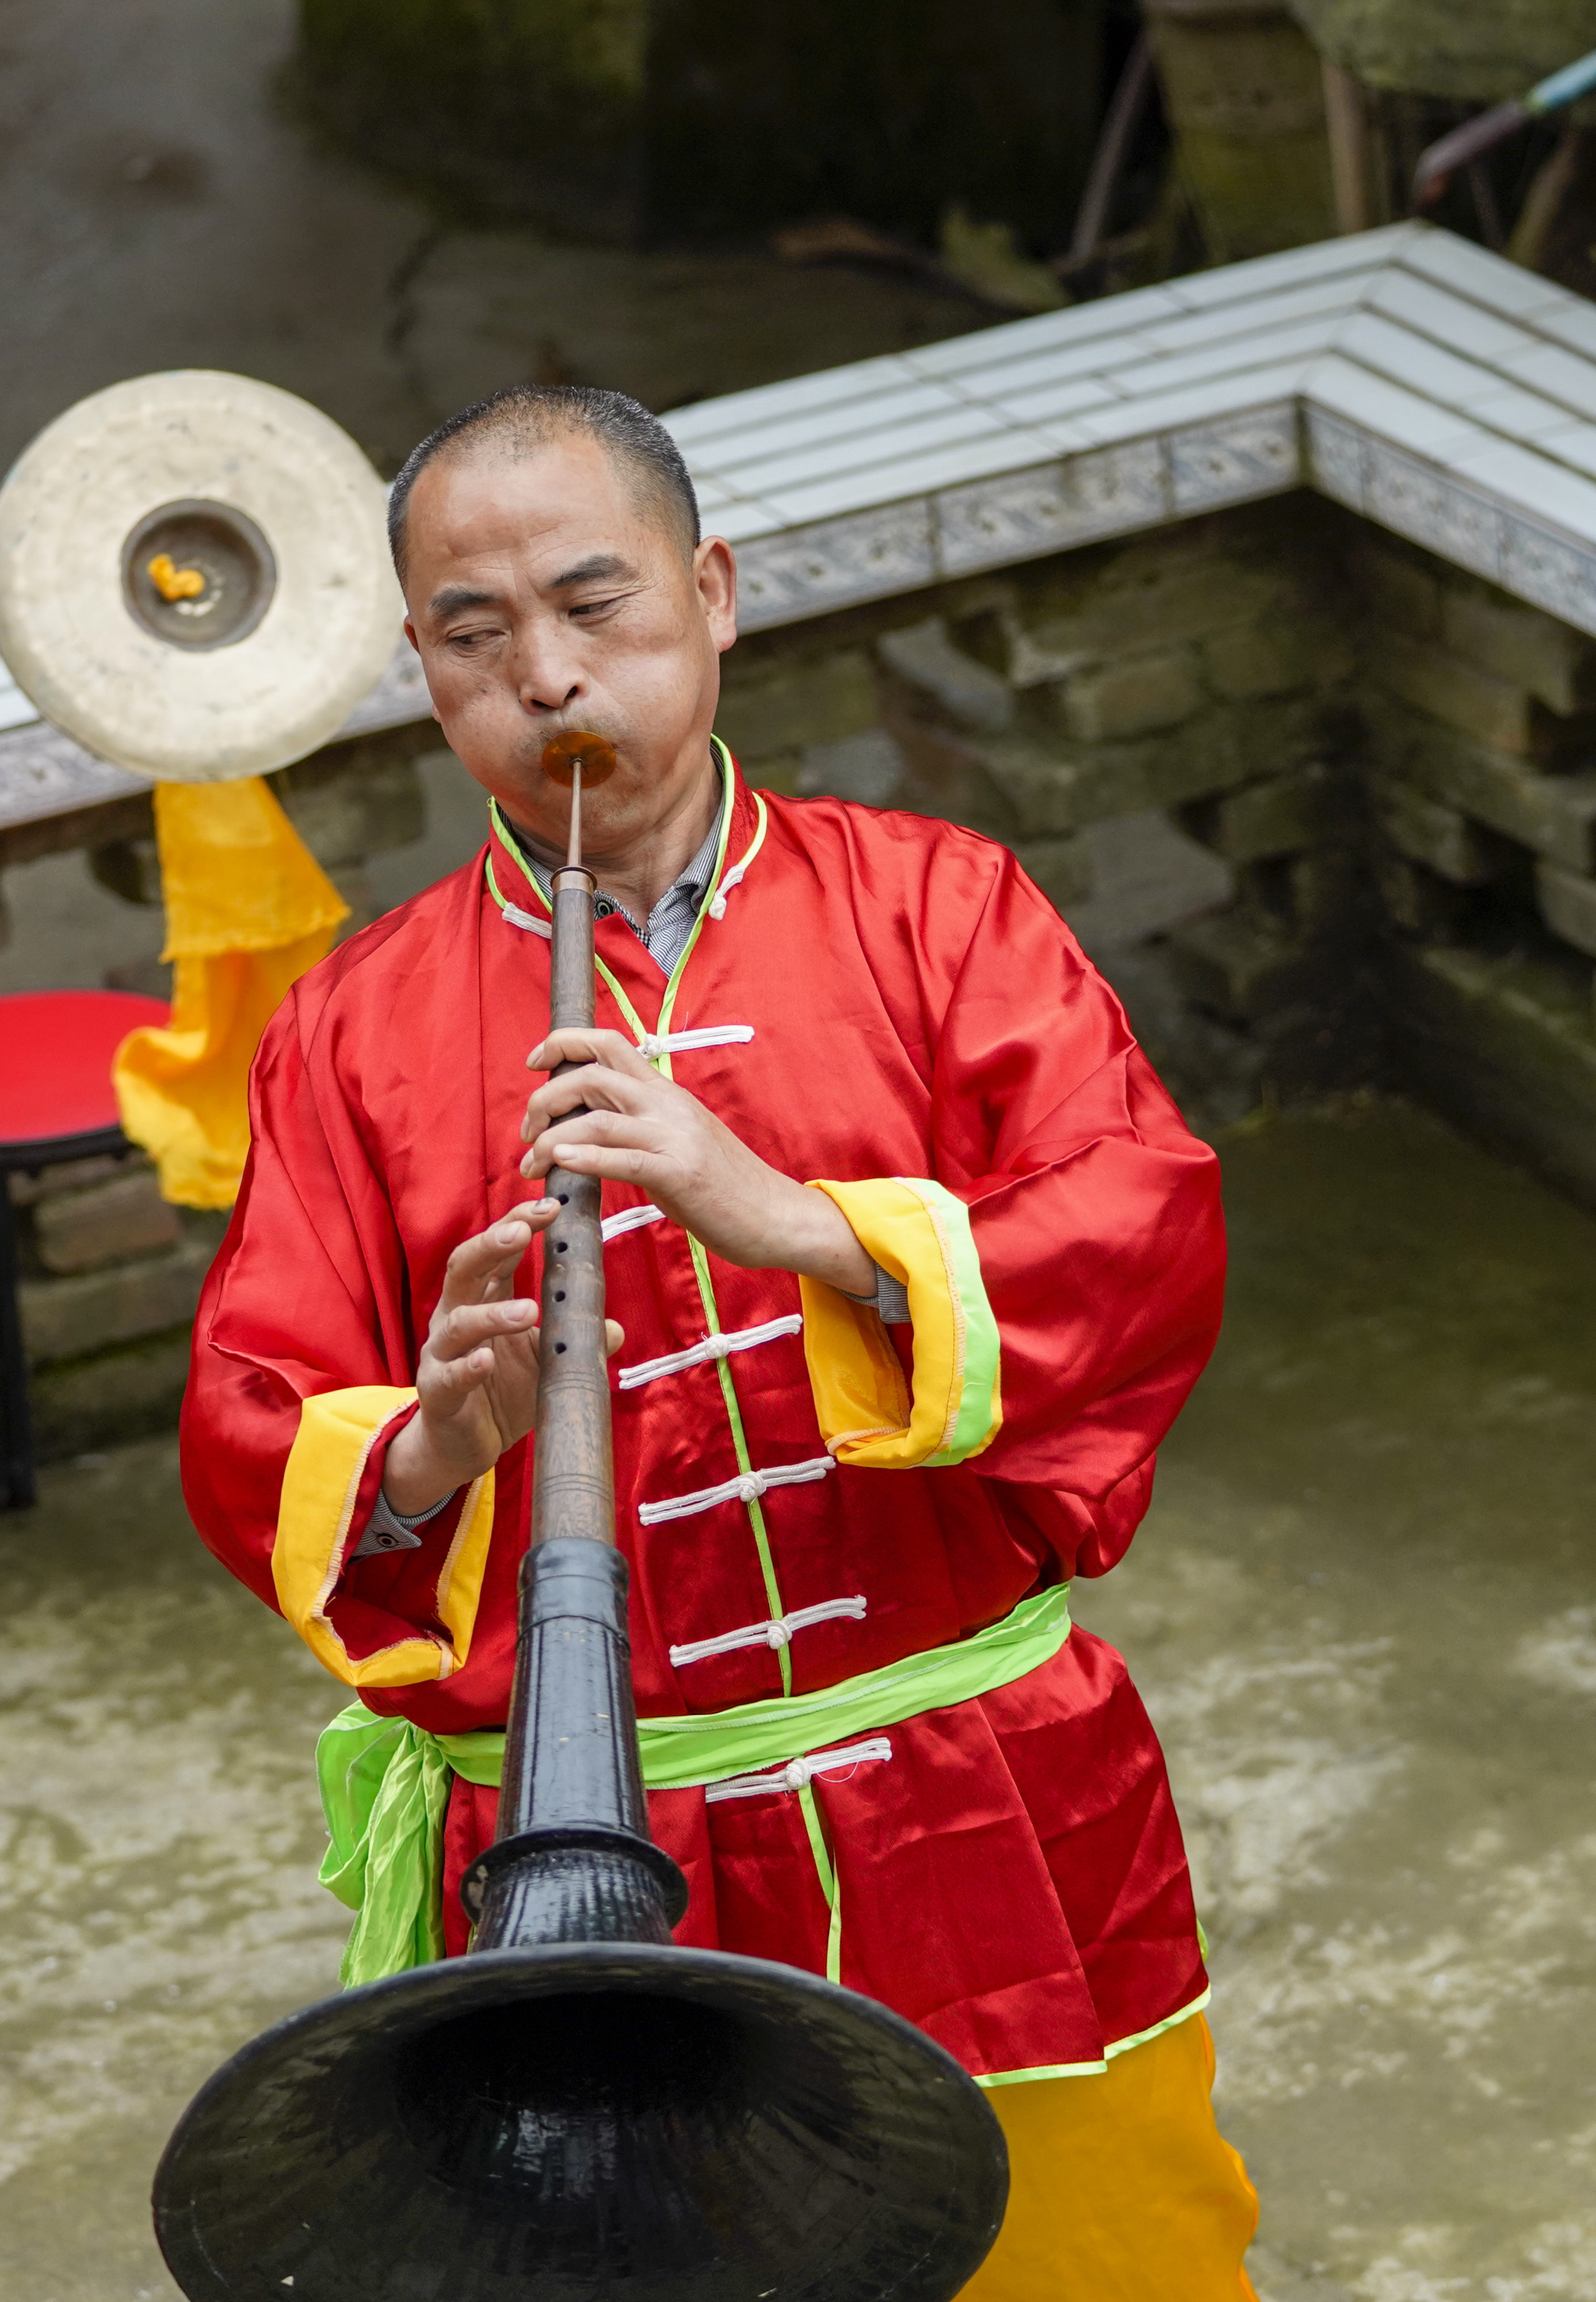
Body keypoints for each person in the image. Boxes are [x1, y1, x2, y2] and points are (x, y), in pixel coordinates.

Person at [182, 383, 1258, 2299]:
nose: (546, 675)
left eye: (597, 604)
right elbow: (251, 1410)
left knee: (1100, 2257)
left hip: (971, 1796)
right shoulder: (351, 1027)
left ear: (719, 593)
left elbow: (1145, 1232)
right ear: (421, 670)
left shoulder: (939, 906)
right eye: (472, 632)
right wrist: (428, 1441)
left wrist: (793, 1225)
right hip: (575, 1883)